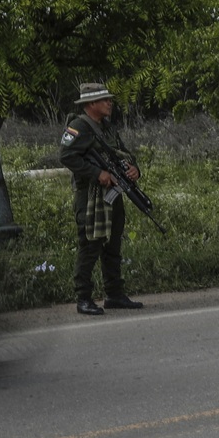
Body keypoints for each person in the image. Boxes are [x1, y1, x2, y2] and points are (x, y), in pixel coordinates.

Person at [59, 83, 145, 315]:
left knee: (113, 245)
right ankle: (83, 298)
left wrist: (134, 169)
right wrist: (97, 173)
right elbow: (66, 156)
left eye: (109, 99)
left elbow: (123, 153)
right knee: (90, 246)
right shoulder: (79, 127)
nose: (110, 103)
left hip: (112, 194)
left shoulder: (107, 127)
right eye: (105, 100)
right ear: (91, 103)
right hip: (90, 197)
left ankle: (114, 294)